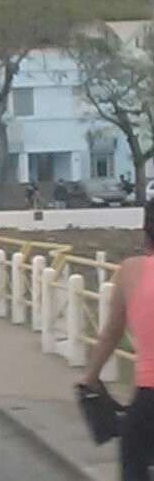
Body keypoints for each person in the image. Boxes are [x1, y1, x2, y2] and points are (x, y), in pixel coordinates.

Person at [81, 198, 154, 480]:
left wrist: (90, 376)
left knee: (134, 465)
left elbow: (112, 332)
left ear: (145, 233)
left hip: (149, 400)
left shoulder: (131, 271)